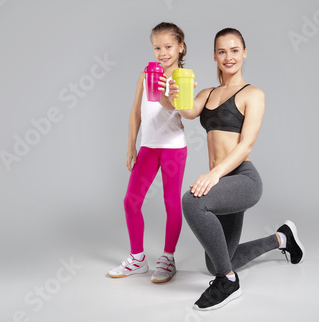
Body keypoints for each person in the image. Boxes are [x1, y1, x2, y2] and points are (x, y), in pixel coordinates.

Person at [163, 28, 305, 310]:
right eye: (222, 51)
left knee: (192, 202)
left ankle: (228, 282)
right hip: (221, 184)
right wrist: (169, 93)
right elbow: (186, 110)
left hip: (242, 179)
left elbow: (246, 146)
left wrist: (214, 174)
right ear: (215, 56)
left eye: (234, 50)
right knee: (213, 260)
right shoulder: (208, 93)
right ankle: (282, 238)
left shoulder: (253, 94)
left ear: (244, 53)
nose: (229, 57)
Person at [107, 22, 188, 283]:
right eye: (157, 47)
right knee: (131, 201)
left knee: (171, 203)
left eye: (168, 46)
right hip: (148, 147)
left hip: (173, 147)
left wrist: (174, 91)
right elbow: (135, 112)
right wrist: (131, 145)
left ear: (180, 47)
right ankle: (138, 259)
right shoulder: (146, 74)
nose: (163, 52)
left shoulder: (183, 79)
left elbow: (186, 110)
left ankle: (168, 258)